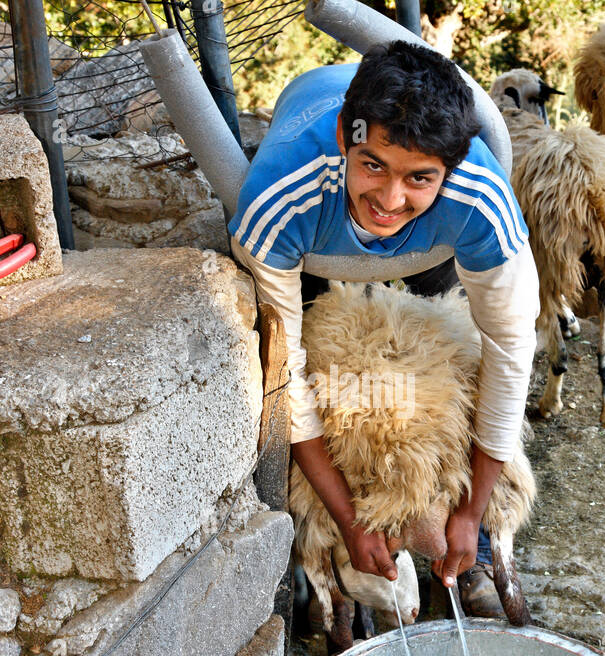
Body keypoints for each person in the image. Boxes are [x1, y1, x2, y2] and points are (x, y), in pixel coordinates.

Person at [229, 40, 539, 614]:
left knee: (447, 353)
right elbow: (285, 371)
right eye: (374, 164)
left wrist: (473, 510)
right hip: (318, 237)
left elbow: (511, 344)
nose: (390, 199)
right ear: (347, 131)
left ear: (456, 162)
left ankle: (471, 539)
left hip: (433, 243)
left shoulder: (479, 202)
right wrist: (348, 518)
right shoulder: (277, 203)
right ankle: (326, 551)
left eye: (419, 176)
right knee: (330, 373)